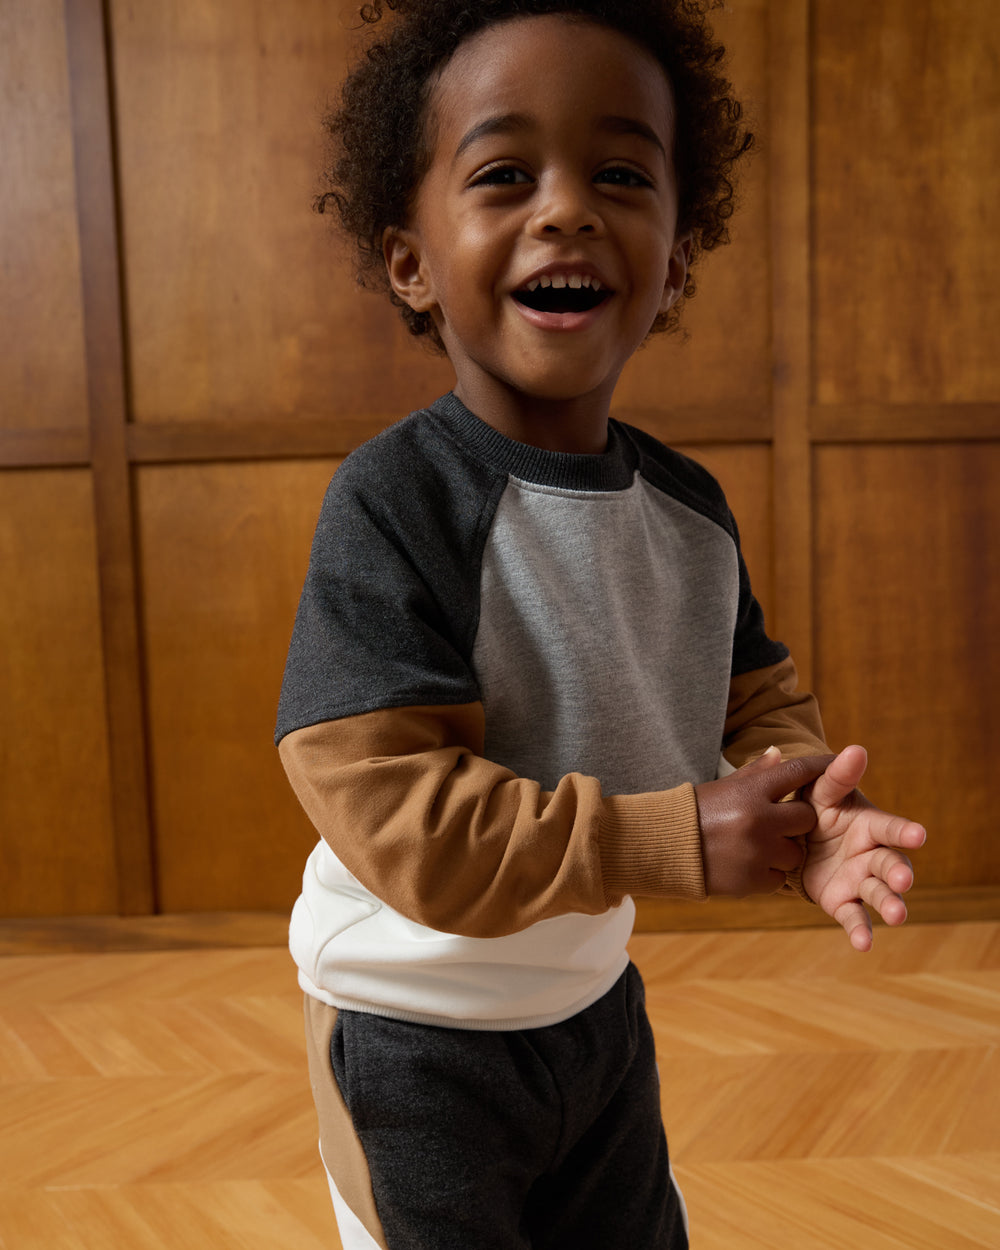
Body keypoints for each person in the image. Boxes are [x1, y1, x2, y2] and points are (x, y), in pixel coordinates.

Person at [275, 3, 927, 1246]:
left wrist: (803, 811)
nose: (567, 208)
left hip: (589, 1003)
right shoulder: (395, 500)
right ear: (410, 256)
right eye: (505, 173)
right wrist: (668, 835)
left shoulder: (686, 507)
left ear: (676, 256)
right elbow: (396, 816)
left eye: (620, 173)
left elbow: (753, 700)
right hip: (415, 1027)